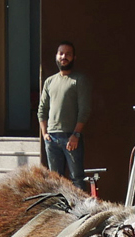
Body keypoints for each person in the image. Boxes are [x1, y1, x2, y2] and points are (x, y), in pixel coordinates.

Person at [38, 41, 91, 184]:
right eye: (61, 53)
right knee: (55, 181)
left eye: (68, 54)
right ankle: (58, 207)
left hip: (71, 137)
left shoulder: (79, 80)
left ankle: (80, 207)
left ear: (74, 57)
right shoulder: (49, 81)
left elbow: (84, 109)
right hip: (51, 138)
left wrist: (76, 134)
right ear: (56, 56)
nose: (64, 57)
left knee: (77, 178)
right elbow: (42, 109)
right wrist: (45, 134)